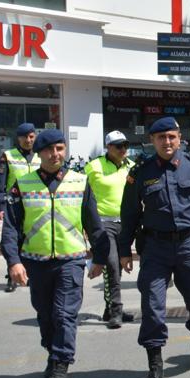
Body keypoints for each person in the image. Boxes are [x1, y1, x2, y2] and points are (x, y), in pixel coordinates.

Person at [119, 118, 190, 378]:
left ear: (179, 138)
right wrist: (124, 250)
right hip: (156, 247)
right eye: (161, 137)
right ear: (152, 141)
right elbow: (129, 212)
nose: (167, 142)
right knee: (152, 306)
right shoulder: (141, 172)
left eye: (171, 137)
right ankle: (155, 366)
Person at [0, 129, 108, 378]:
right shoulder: (22, 185)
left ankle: (60, 367)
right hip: (36, 262)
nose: (55, 154)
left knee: (64, 315)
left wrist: (100, 257)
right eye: (49, 149)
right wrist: (13, 261)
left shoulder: (79, 182)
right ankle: (53, 352)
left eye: (60, 148)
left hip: (70, 260)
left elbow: (94, 224)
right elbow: (11, 227)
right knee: (46, 315)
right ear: (39, 153)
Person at [83, 130, 137, 329]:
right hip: (103, 224)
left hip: (126, 223)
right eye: (118, 146)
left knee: (118, 267)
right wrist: (85, 226)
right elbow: (82, 196)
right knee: (112, 264)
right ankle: (116, 310)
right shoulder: (93, 167)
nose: (123, 149)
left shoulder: (132, 166)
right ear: (108, 147)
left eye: (125, 145)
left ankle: (109, 308)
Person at [0, 122, 39, 293]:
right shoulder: (8, 155)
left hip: (34, 204)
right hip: (13, 204)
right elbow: (0, 182)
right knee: (12, 240)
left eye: (31, 136)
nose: (28, 140)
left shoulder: (40, 155)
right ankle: (12, 276)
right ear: (18, 138)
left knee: (30, 239)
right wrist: (0, 206)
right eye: (25, 137)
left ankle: (28, 274)